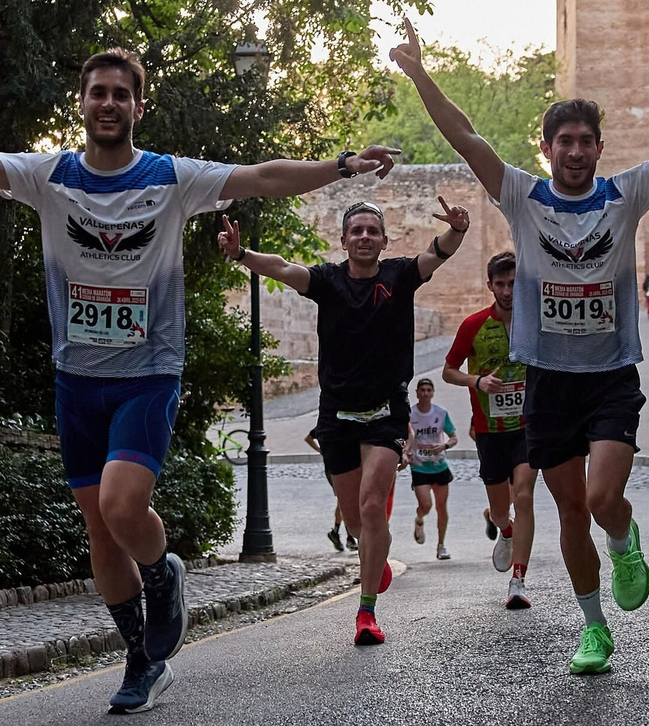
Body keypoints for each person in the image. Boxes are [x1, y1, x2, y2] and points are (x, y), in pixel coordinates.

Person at [0, 48, 400, 713]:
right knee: (101, 535)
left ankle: (163, 573)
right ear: (81, 103)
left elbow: (262, 177)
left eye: (120, 94)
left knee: (121, 503)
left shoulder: (171, 178)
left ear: (139, 107)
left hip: (148, 373)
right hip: (76, 379)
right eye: (97, 92)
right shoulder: (49, 175)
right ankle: (142, 659)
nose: (107, 103)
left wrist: (343, 166)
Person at [393, 14, 649, 675]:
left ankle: (623, 535)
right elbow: (464, 132)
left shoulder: (625, 196)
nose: (575, 150)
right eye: (564, 140)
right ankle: (594, 629)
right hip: (549, 380)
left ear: (598, 148)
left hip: (611, 373)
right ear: (547, 148)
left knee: (598, 500)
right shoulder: (520, 195)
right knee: (568, 510)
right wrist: (419, 71)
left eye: (586, 141)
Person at [217, 196, 469, 645]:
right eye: (357, 231)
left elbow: (438, 253)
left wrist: (458, 229)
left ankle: (366, 612)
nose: (366, 237)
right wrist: (240, 255)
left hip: (387, 415)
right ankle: (376, 556)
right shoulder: (328, 281)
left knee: (373, 506)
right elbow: (281, 268)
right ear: (345, 240)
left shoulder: (400, 275)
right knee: (356, 521)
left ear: (384, 240)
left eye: (373, 230)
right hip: (336, 416)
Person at [443, 250, 537, 610]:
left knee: (524, 496)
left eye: (513, 283)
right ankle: (506, 530)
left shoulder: (535, 321)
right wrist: (477, 380)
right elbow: (448, 370)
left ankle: (518, 581)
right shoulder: (473, 325)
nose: (508, 290)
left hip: (528, 426)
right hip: (489, 429)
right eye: (501, 284)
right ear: (490, 286)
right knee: (500, 511)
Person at [406, 378, 457, 560]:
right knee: (426, 505)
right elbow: (404, 437)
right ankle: (419, 519)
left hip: (439, 465)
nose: (426, 393)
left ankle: (441, 545)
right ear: (417, 393)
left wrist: (444, 446)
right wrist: (407, 452)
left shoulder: (441, 413)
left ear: (433, 393)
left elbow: (453, 437)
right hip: (420, 467)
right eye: (422, 390)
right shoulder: (410, 414)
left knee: (442, 508)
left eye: (429, 390)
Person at [305, 428, 357, 552]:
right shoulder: (326, 425)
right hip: (334, 468)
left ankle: (336, 532)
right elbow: (308, 438)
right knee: (344, 501)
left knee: (343, 502)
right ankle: (348, 537)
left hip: (344, 467)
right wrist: (320, 450)